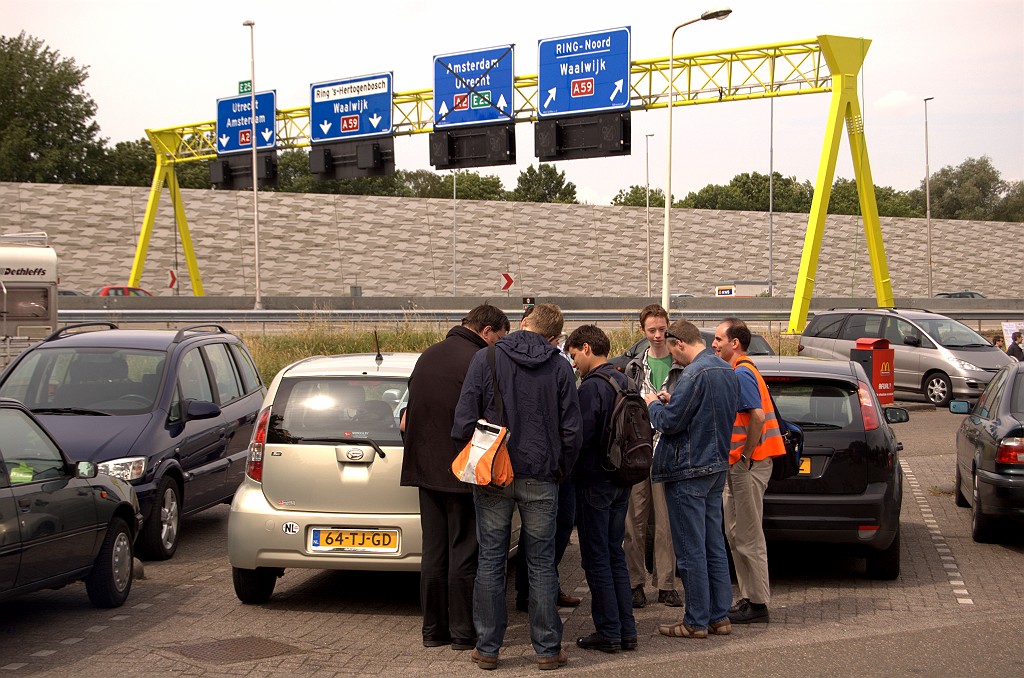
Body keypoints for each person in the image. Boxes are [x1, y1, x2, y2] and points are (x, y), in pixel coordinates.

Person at [452, 303, 582, 671]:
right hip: (542, 475)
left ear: (524, 323)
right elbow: (572, 431)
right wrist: (559, 469)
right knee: (541, 564)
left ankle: (489, 648)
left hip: (495, 473)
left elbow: (463, 420)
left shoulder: (486, 358)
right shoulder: (559, 366)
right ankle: (547, 649)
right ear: (555, 337)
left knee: (491, 560)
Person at [400, 304, 510, 650]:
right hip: (462, 470)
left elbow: (407, 415)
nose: (498, 346)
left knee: (433, 551)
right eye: (499, 339)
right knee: (464, 551)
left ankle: (433, 631)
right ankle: (464, 633)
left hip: (423, 467)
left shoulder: (428, 356)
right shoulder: (479, 361)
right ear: (487, 331)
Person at [644, 319, 738, 639]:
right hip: (715, 467)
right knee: (714, 544)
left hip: (688, 469)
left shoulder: (694, 372)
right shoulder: (726, 369)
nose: (674, 360)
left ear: (679, 343)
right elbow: (704, 413)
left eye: (673, 352)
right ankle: (719, 616)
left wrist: (654, 404)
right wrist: (676, 401)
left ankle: (695, 621)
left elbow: (670, 423)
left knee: (690, 549)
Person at [565, 325, 638, 654]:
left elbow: (581, 438)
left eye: (574, 354)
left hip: (596, 480)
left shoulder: (592, 388)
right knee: (614, 554)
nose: (574, 362)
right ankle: (626, 630)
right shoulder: (625, 379)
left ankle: (608, 632)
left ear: (586, 348)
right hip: (623, 478)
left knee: (596, 559)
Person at [713, 317, 787, 624]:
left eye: (718, 339)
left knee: (748, 535)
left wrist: (745, 454)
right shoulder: (739, 369)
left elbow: (756, 416)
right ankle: (749, 598)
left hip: (747, 465)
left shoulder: (742, 372)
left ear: (735, 343)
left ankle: (757, 603)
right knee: (736, 533)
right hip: (741, 465)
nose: (713, 344)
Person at [622, 304, 684, 608]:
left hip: (667, 449)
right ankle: (635, 583)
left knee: (666, 521)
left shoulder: (680, 365)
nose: (658, 335)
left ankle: (666, 583)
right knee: (633, 520)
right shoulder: (634, 367)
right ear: (642, 331)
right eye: (652, 330)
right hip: (638, 451)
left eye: (662, 329)